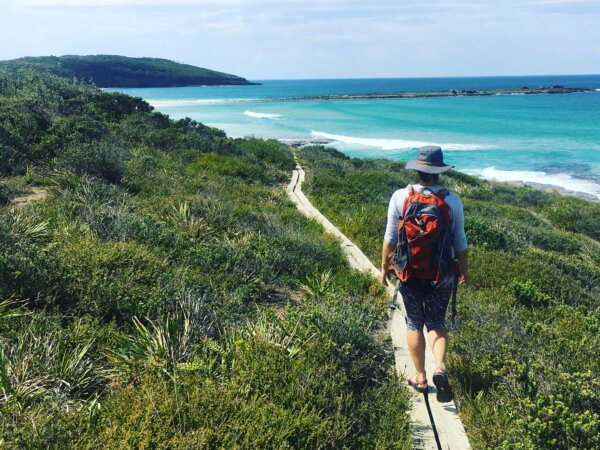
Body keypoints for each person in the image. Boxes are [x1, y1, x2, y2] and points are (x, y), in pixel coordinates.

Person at [380, 145, 468, 403]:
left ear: (418, 170)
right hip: (442, 273)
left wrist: (384, 266)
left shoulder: (400, 196)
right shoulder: (452, 200)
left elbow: (391, 237)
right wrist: (464, 269)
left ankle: (420, 377)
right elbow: (460, 240)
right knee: (437, 322)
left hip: (409, 273)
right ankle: (440, 367)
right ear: (440, 172)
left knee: (414, 322)